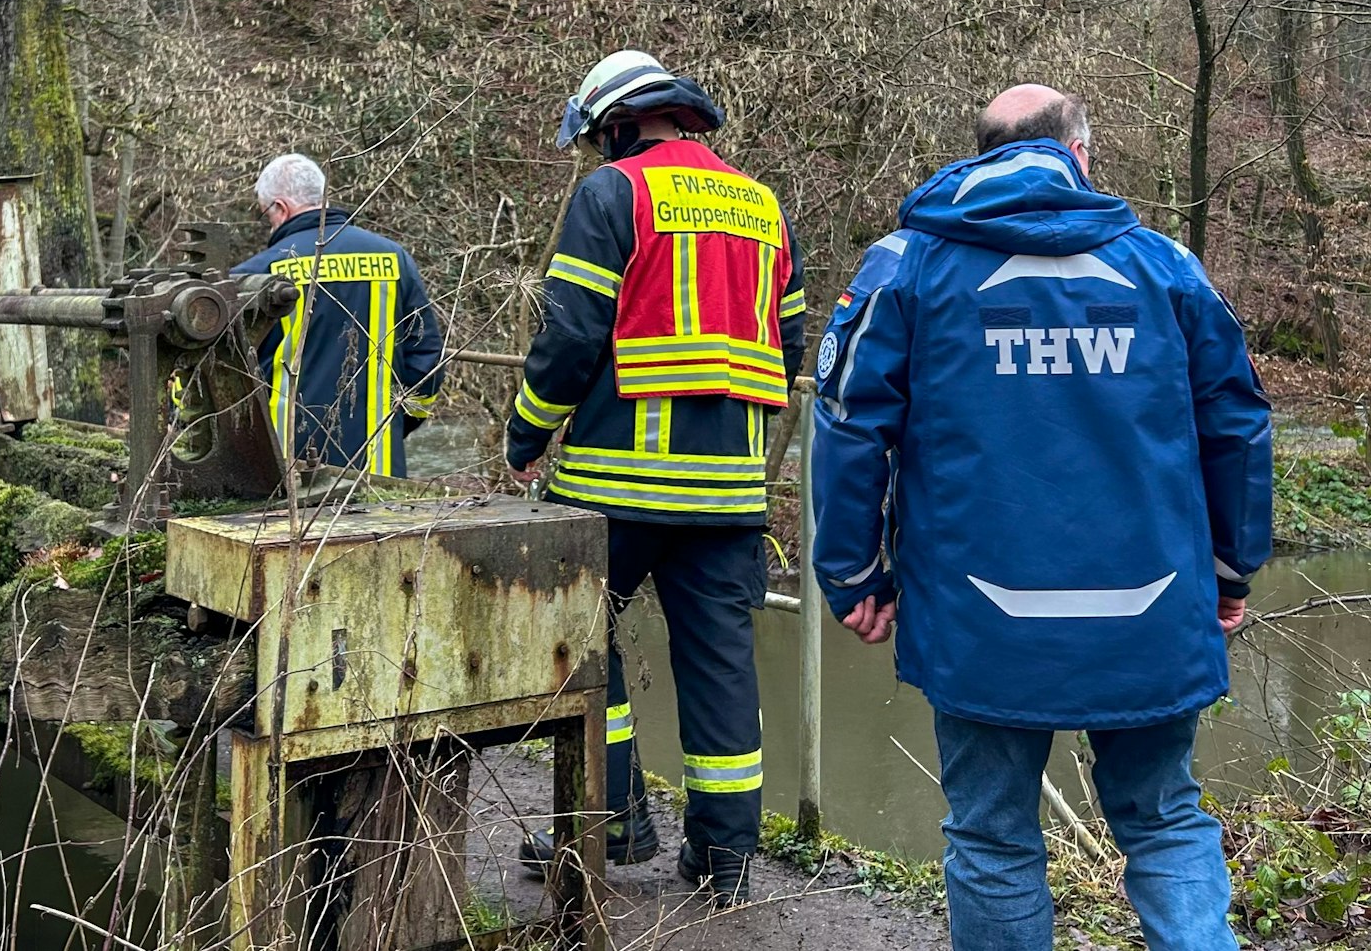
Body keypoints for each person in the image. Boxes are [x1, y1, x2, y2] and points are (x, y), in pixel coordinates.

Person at [809, 84, 1272, 950]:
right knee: (1165, 819)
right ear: (1080, 154)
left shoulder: (908, 265)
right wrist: (1230, 566)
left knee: (992, 838)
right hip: (1153, 609)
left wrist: (852, 572)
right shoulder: (1166, 266)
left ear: (983, 154)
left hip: (981, 616)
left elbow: (847, 424)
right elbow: (1237, 423)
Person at [507, 51, 807, 902]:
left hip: (616, 487)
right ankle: (724, 861)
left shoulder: (614, 194)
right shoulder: (762, 205)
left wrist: (525, 431)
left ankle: (614, 820)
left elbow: (570, 335)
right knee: (721, 669)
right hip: (730, 496)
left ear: (619, 124)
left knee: (578, 644)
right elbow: (788, 342)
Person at [233, 153, 444, 477]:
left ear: (281, 208)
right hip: (379, 466)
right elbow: (427, 361)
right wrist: (396, 425)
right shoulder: (394, 259)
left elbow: (225, 378)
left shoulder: (258, 273)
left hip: (283, 473)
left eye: (267, 214)